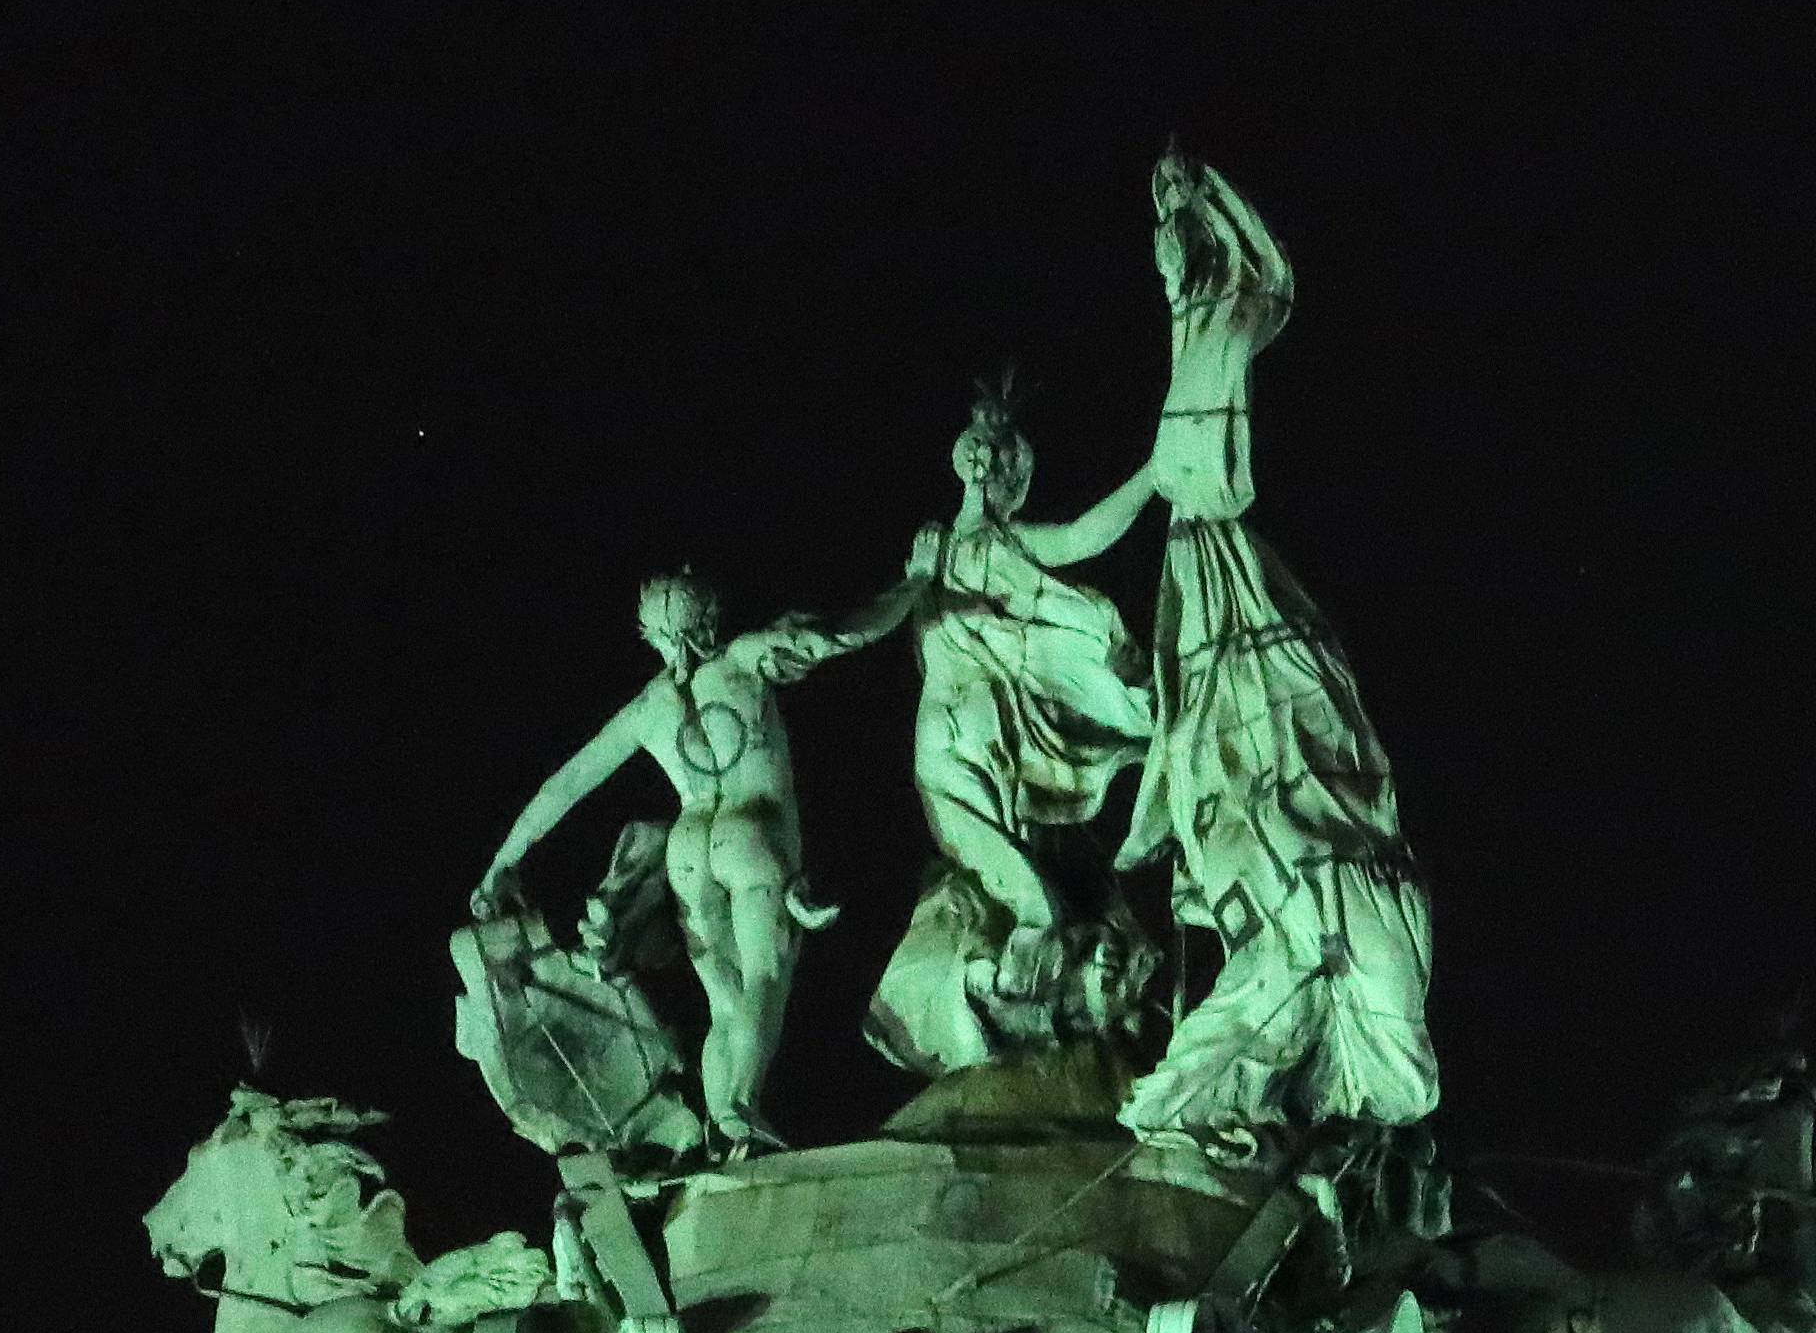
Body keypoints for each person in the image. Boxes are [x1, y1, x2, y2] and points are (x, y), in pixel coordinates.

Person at [1117, 148, 1438, 1137]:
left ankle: (1221, 1110)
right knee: (1201, 696)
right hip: (1192, 534)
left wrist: (1204, 197)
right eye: (1160, 248)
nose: (1168, 262)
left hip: (1208, 532)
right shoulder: (1191, 319)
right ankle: (1204, 1110)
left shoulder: (1232, 310)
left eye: (1180, 247)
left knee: (1235, 679)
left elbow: (1272, 284)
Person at [830, 392, 1158, 1048]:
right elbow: (1085, 535)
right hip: (983, 740)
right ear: (1010, 479)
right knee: (1031, 897)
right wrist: (1154, 473)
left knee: (1015, 880)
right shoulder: (981, 547)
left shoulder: (934, 553)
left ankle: (1012, 997)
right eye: (1019, 478)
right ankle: (1013, 1000)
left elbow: (1080, 538)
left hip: (965, 738)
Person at [472, 571, 837, 1152]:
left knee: (723, 1003)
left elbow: (564, 787)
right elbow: (839, 637)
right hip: (752, 837)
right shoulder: (745, 660)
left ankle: (725, 1125)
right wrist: (914, 585)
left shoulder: (648, 708)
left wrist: (500, 862)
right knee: (764, 979)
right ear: (710, 616)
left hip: (689, 848)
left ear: (651, 635)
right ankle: (741, 1103)